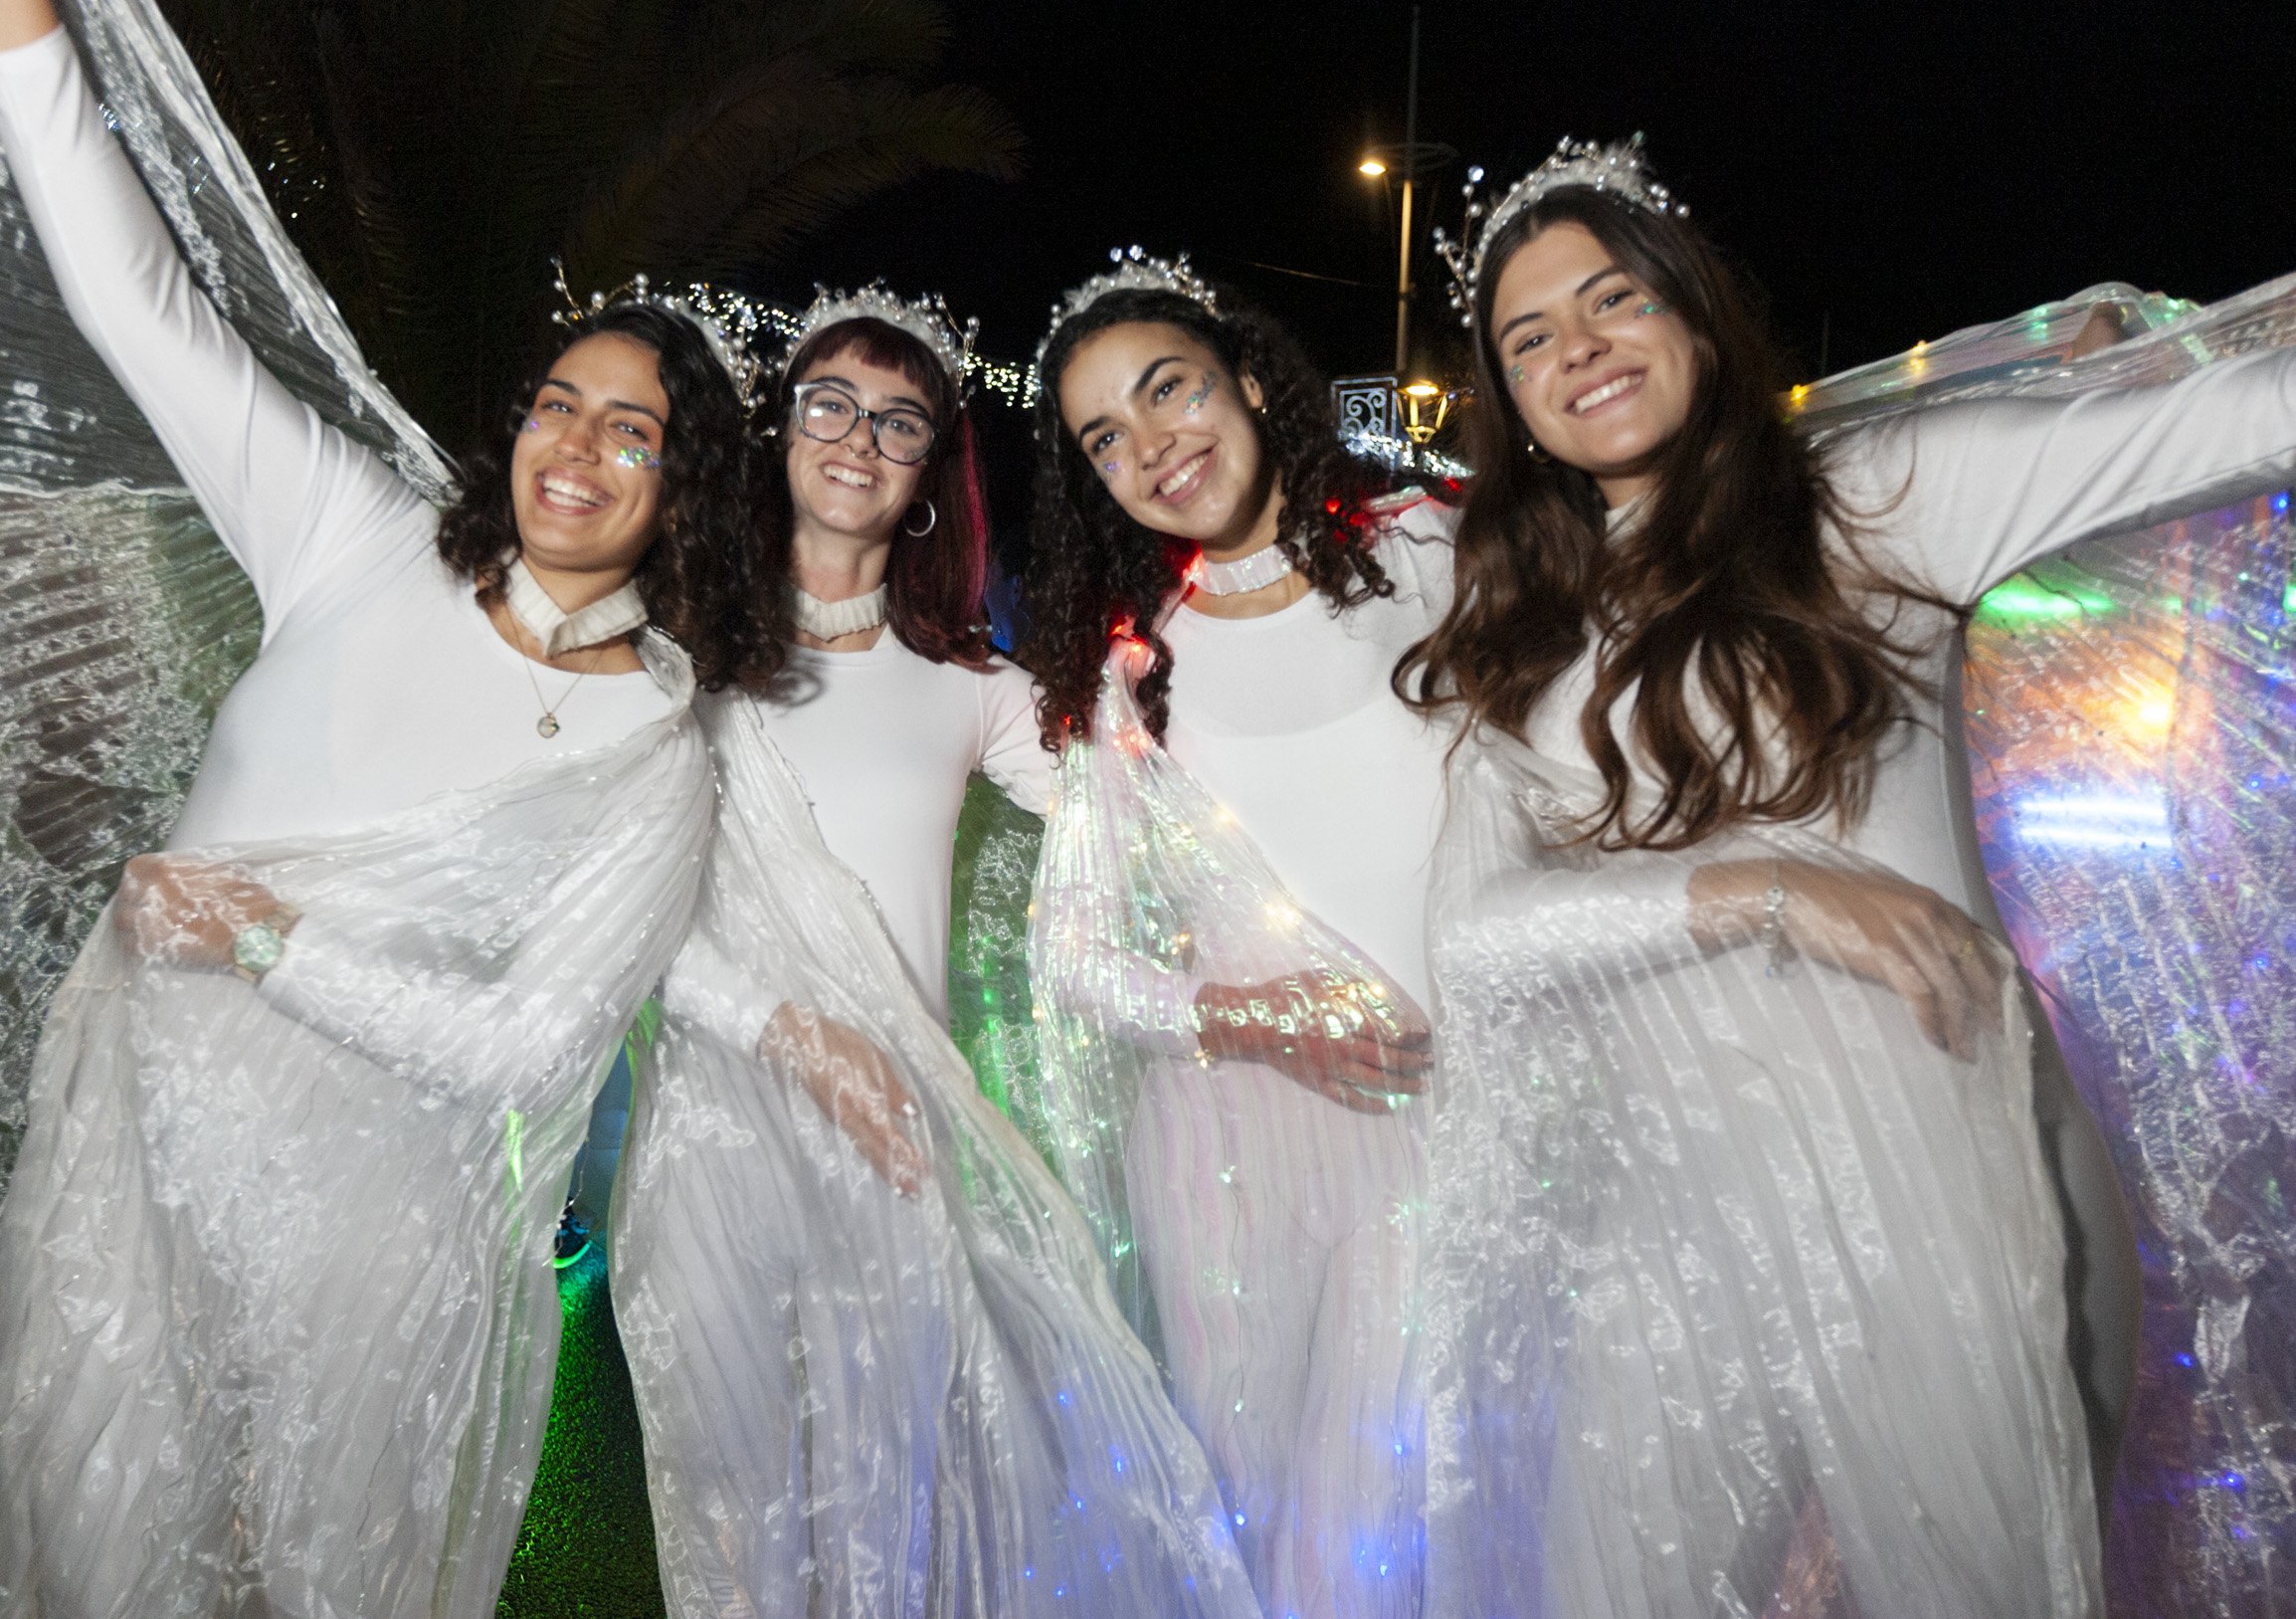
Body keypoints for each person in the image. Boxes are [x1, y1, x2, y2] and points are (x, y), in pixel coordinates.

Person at [0, 0, 777, 1612]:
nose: (575, 450)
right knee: (79, 1551)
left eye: (634, 434)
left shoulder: (654, 752)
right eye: (558, 405)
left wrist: (264, 942)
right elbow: (132, 290)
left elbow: (531, 1053)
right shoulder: (355, 537)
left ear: (689, 491)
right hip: (130, 1154)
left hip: (365, 1234)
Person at [1400, 136, 2296, 1617]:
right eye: (1530, 338)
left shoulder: (1879, 492)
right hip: (1675, 1216)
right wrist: (1768, 889)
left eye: (1614, 299)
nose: (1582, 351)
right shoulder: (1522, 621)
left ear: (1694, 311)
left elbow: (2243, 416)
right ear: (1508, 399)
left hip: (1949, 1189)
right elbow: (1478, 943)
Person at [614, 288, 1260, 1617]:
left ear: (926, 478)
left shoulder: (972, 687)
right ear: (781, 431)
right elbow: (624, 916)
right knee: (736, 1527)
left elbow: (1148, 801)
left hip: (893, 1153)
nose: (859, 436)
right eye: (831, 403)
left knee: (897, 1512)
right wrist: (791, 1035)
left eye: (899, 421)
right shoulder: (673, 660)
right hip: (712, 1155)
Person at [1020, 251, 1449, 1619]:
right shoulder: (1136, 669)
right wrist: (1264, 1020)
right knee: (1259, 1531)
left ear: (1253, 383)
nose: (1152, 447)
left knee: (1383, 1534)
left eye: (1172, 392)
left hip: (1442, 1132)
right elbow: (1070, 960)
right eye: (1106, 436)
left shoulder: (1437, 559)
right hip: (1227, 1162)